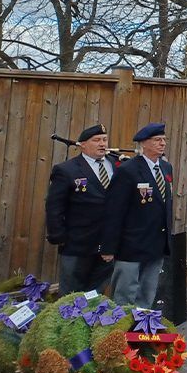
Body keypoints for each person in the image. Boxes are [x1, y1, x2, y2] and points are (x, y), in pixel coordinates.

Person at [100, 123, 173, 308]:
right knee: (125, 293)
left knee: (148, 292)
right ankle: (121, 331)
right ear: (144, 144)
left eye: (164, 140)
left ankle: (141, 329)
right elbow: (114, 210)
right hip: (131, 244)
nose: (162, 144)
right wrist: (109, 246)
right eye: (157, 140)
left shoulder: (165, 167)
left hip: (156, 242)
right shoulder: (128, 170)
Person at [45, 124, 117, 294]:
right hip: (77, 242)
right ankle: (69, 320)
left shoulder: (116, 165)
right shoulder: (67, 170)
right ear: (82, 144)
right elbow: (54, 206)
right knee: (71, 293)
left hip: (109, 242)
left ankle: (90, 318)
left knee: (96, 291)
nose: (102, 144)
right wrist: (58, 236)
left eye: (104, 140)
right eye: (96, 140)